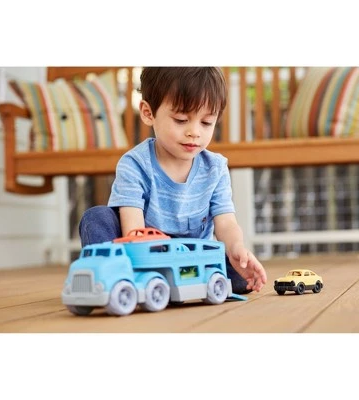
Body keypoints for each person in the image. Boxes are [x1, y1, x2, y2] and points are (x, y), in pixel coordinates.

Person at [79, 67, 267, 294]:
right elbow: (133, 230)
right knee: (96, 217)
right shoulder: (134, 164)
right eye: (181, 120)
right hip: (142, 256)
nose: (194, 132)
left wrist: (237, 248)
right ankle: (115, 278)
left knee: (240, 276)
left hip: (193, 258)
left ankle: (171, 284)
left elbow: (226, 223)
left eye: (206, 122)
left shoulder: (215, 168)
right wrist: (147, 263)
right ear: (148, 113)